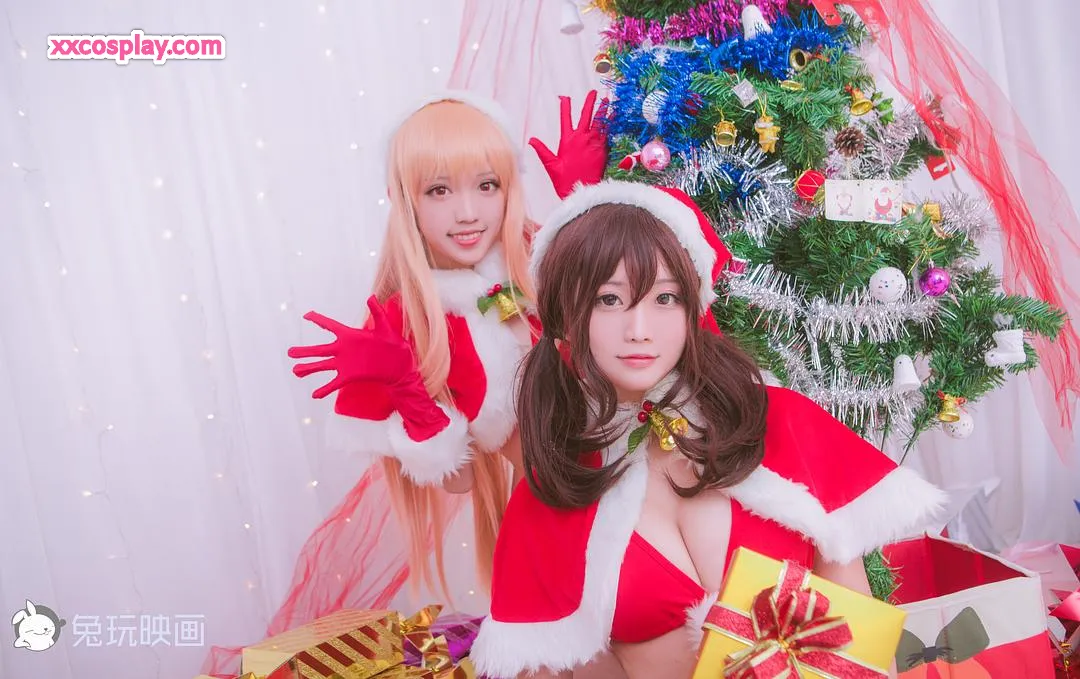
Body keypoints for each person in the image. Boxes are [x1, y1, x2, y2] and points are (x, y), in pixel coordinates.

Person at [470, 180, 945, 679]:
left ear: (693, 305)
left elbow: (856, 639)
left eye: (665, 298)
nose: (639, 331)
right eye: (608, 300)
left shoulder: (782, 425)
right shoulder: (552, 498)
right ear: (565, 318)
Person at [286, 91, 607, 596]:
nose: (468, 213)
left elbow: (643, 314)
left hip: (650, 482)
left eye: (487, 185)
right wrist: (409, 393)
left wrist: (587, 206)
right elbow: (458, 479)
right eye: (438, 190)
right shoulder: (410, 323)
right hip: (561, 523)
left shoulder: (542, 257)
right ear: (405, 200)